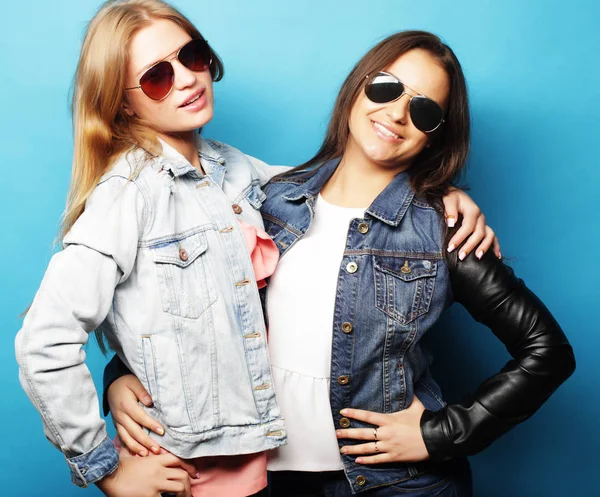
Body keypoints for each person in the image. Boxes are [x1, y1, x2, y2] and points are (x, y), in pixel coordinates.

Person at [14, 1, 494, 496]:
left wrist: (434, 194)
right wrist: (106, 467)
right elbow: (44, 342)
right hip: (188, 468)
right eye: (157, 75)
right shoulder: (128, 194)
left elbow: (334, 189)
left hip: (260, 470)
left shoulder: (233, 170)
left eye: (192, 56)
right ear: (123, 102)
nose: (186, 79)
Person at [105, 29, 576, 497]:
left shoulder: (443, 229)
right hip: (265, 480)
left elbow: (548, 351)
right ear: (358, 88)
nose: (396, 113)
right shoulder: (267, 200)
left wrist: (439, 434)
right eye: (387, 88)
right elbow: (182, 309)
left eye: (424, 110)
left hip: (398, 486)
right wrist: (119, 375)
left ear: (436, 137)